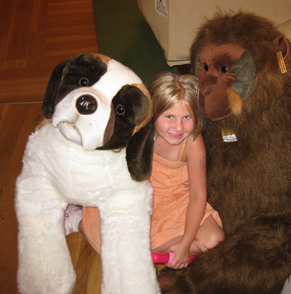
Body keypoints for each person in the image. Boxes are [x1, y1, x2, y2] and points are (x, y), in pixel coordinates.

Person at [66, 72, 224, 269]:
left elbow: (198, 195)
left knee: (214, 240)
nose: (178, 127)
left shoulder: (192, 143)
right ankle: (77, 219)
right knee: (122, 249)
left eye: (187, 117)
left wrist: (185, 243)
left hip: (179, 202)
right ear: (153, 113)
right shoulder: (139, 131)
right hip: (140, 199)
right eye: (169, 117)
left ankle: (164, 252)